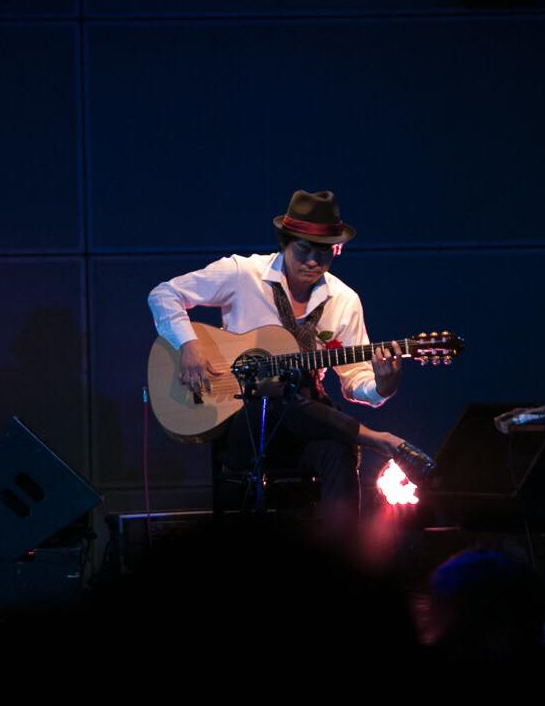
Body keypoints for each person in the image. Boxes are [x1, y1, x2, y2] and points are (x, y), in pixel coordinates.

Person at [147, 190, 433, 522]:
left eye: (323, 252)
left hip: (307, 425)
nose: (313, 261)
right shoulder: (243, 274)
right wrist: (188, 344)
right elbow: (164, 294)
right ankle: (378, 439)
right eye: (303, 249)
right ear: (285, 242)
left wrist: (384, 385)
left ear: (337, 249)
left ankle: (342, 550)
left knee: (338, 451)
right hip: (245, 426)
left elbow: (356, 380)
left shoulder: (344, 301)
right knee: (274, 392)